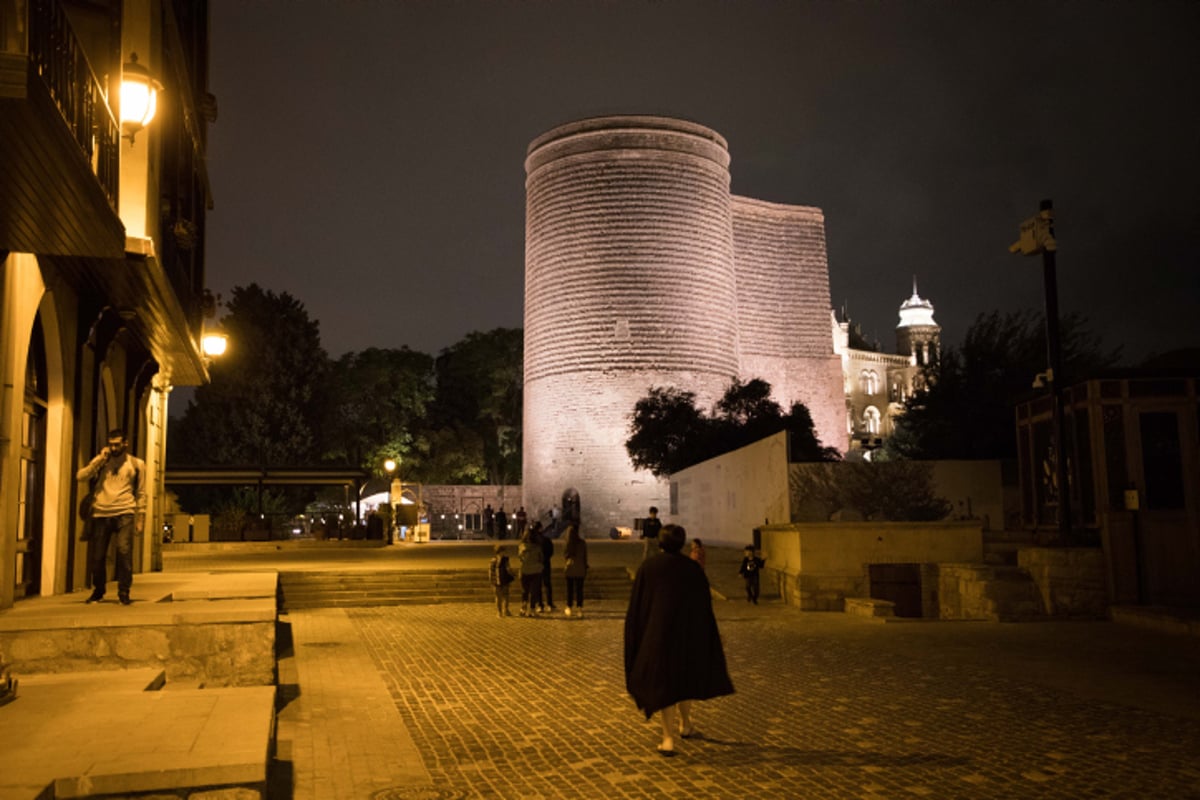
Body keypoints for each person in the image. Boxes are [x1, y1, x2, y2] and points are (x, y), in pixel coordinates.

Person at [625, 524, 734, 757]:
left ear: (661, 543)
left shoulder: (649, 568)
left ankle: (668, 738)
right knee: (684, 680)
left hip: (659, 635)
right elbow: (704, 606)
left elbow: (638, 607)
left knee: (666, 685)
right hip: (688, 634)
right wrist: (711, 634)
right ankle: (685, 724)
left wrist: (639, 636)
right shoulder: (692, 569)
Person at [77, 429, 146, 605]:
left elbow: (142, 492)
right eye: (111, 444)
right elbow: (80, 476)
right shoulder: (102, 461)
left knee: (123, 551)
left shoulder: (137, 464)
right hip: (101, 512)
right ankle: (98, 591)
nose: (113, 447)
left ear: (125, 443)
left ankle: (124, 591)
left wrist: (140, 519)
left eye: (117, 444)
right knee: (98, 556)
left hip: (125, 512)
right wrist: (99, 460)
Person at [518, 523, 545, 616]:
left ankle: (523, 607)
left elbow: (520, 558)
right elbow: (541, 558)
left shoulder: (522, 547)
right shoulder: (538, 548)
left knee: (525, 590)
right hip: (536, 571)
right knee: (534, 591)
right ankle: (532, 609)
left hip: (524, 570)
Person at [562, 524, 589, 617]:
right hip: (580, 569)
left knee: (569, 589)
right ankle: (579, 608)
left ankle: (569, 606)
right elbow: (585, 557)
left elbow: (565, 556)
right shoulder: (582, 543)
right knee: (579, 590)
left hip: (570, 569)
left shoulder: (567, 544)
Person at [488, 545, 515, 618]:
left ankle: (499, 612)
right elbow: (508, 569)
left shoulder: (493, 560)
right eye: (504, 551)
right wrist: (513, 574)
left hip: (497, 580)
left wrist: (491, 580)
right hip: (504, 579)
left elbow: (490, 571)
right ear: (501, 551)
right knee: (505, 595)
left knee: (498, 596)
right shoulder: (505, 560)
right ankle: (505, 610)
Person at [540, 523, 557, 612]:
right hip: (546, 564)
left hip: (537, 565)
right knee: (547, 585)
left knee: (538, 585)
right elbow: (551, 552)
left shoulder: (534, 540)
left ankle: (539, 604)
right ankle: (549, 603)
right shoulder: (546, 540)